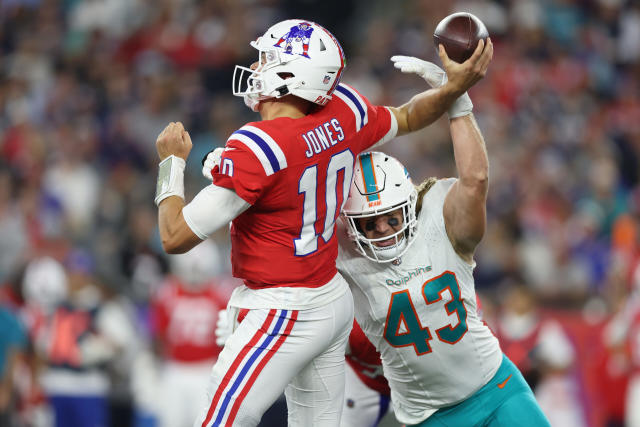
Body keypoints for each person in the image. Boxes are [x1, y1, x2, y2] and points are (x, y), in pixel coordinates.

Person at [155, 18, 492, 426]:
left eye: (267, 60)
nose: (257, 69)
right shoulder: (343, 111)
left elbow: (174, 236)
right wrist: (454, 90)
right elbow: (406, 117)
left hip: (282, 306)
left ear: (291, 74)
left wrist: (171, 163)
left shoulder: (257, 148)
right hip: (330, 298)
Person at [333, 56, 550, 426]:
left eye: (391, 217)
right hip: (429, 415)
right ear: (351, 225)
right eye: (370, 224)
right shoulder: (342, 257)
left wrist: (457, 101)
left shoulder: (439, 222)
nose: (383, 228)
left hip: (495, 387)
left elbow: (475, 181)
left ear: (409, 204)